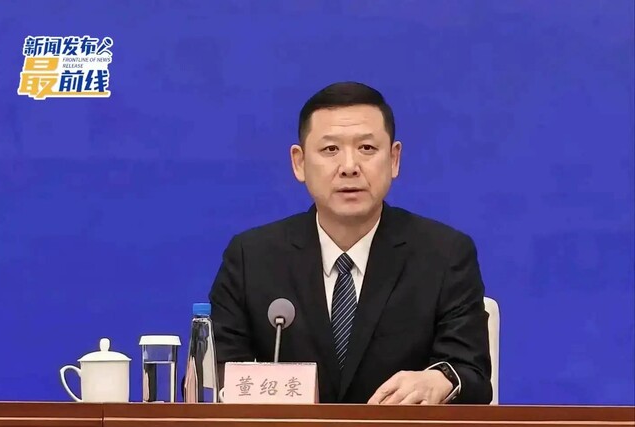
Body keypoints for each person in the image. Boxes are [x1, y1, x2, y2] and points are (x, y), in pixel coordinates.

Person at [209, 81, 492, 405]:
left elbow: (472, 374)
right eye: (330, 150)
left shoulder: (445, 255)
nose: (349, 167)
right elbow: (216, 374)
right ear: (299, 163)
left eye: (367, 148)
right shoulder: (251, 258)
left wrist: (439, 380)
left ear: (394, 159)